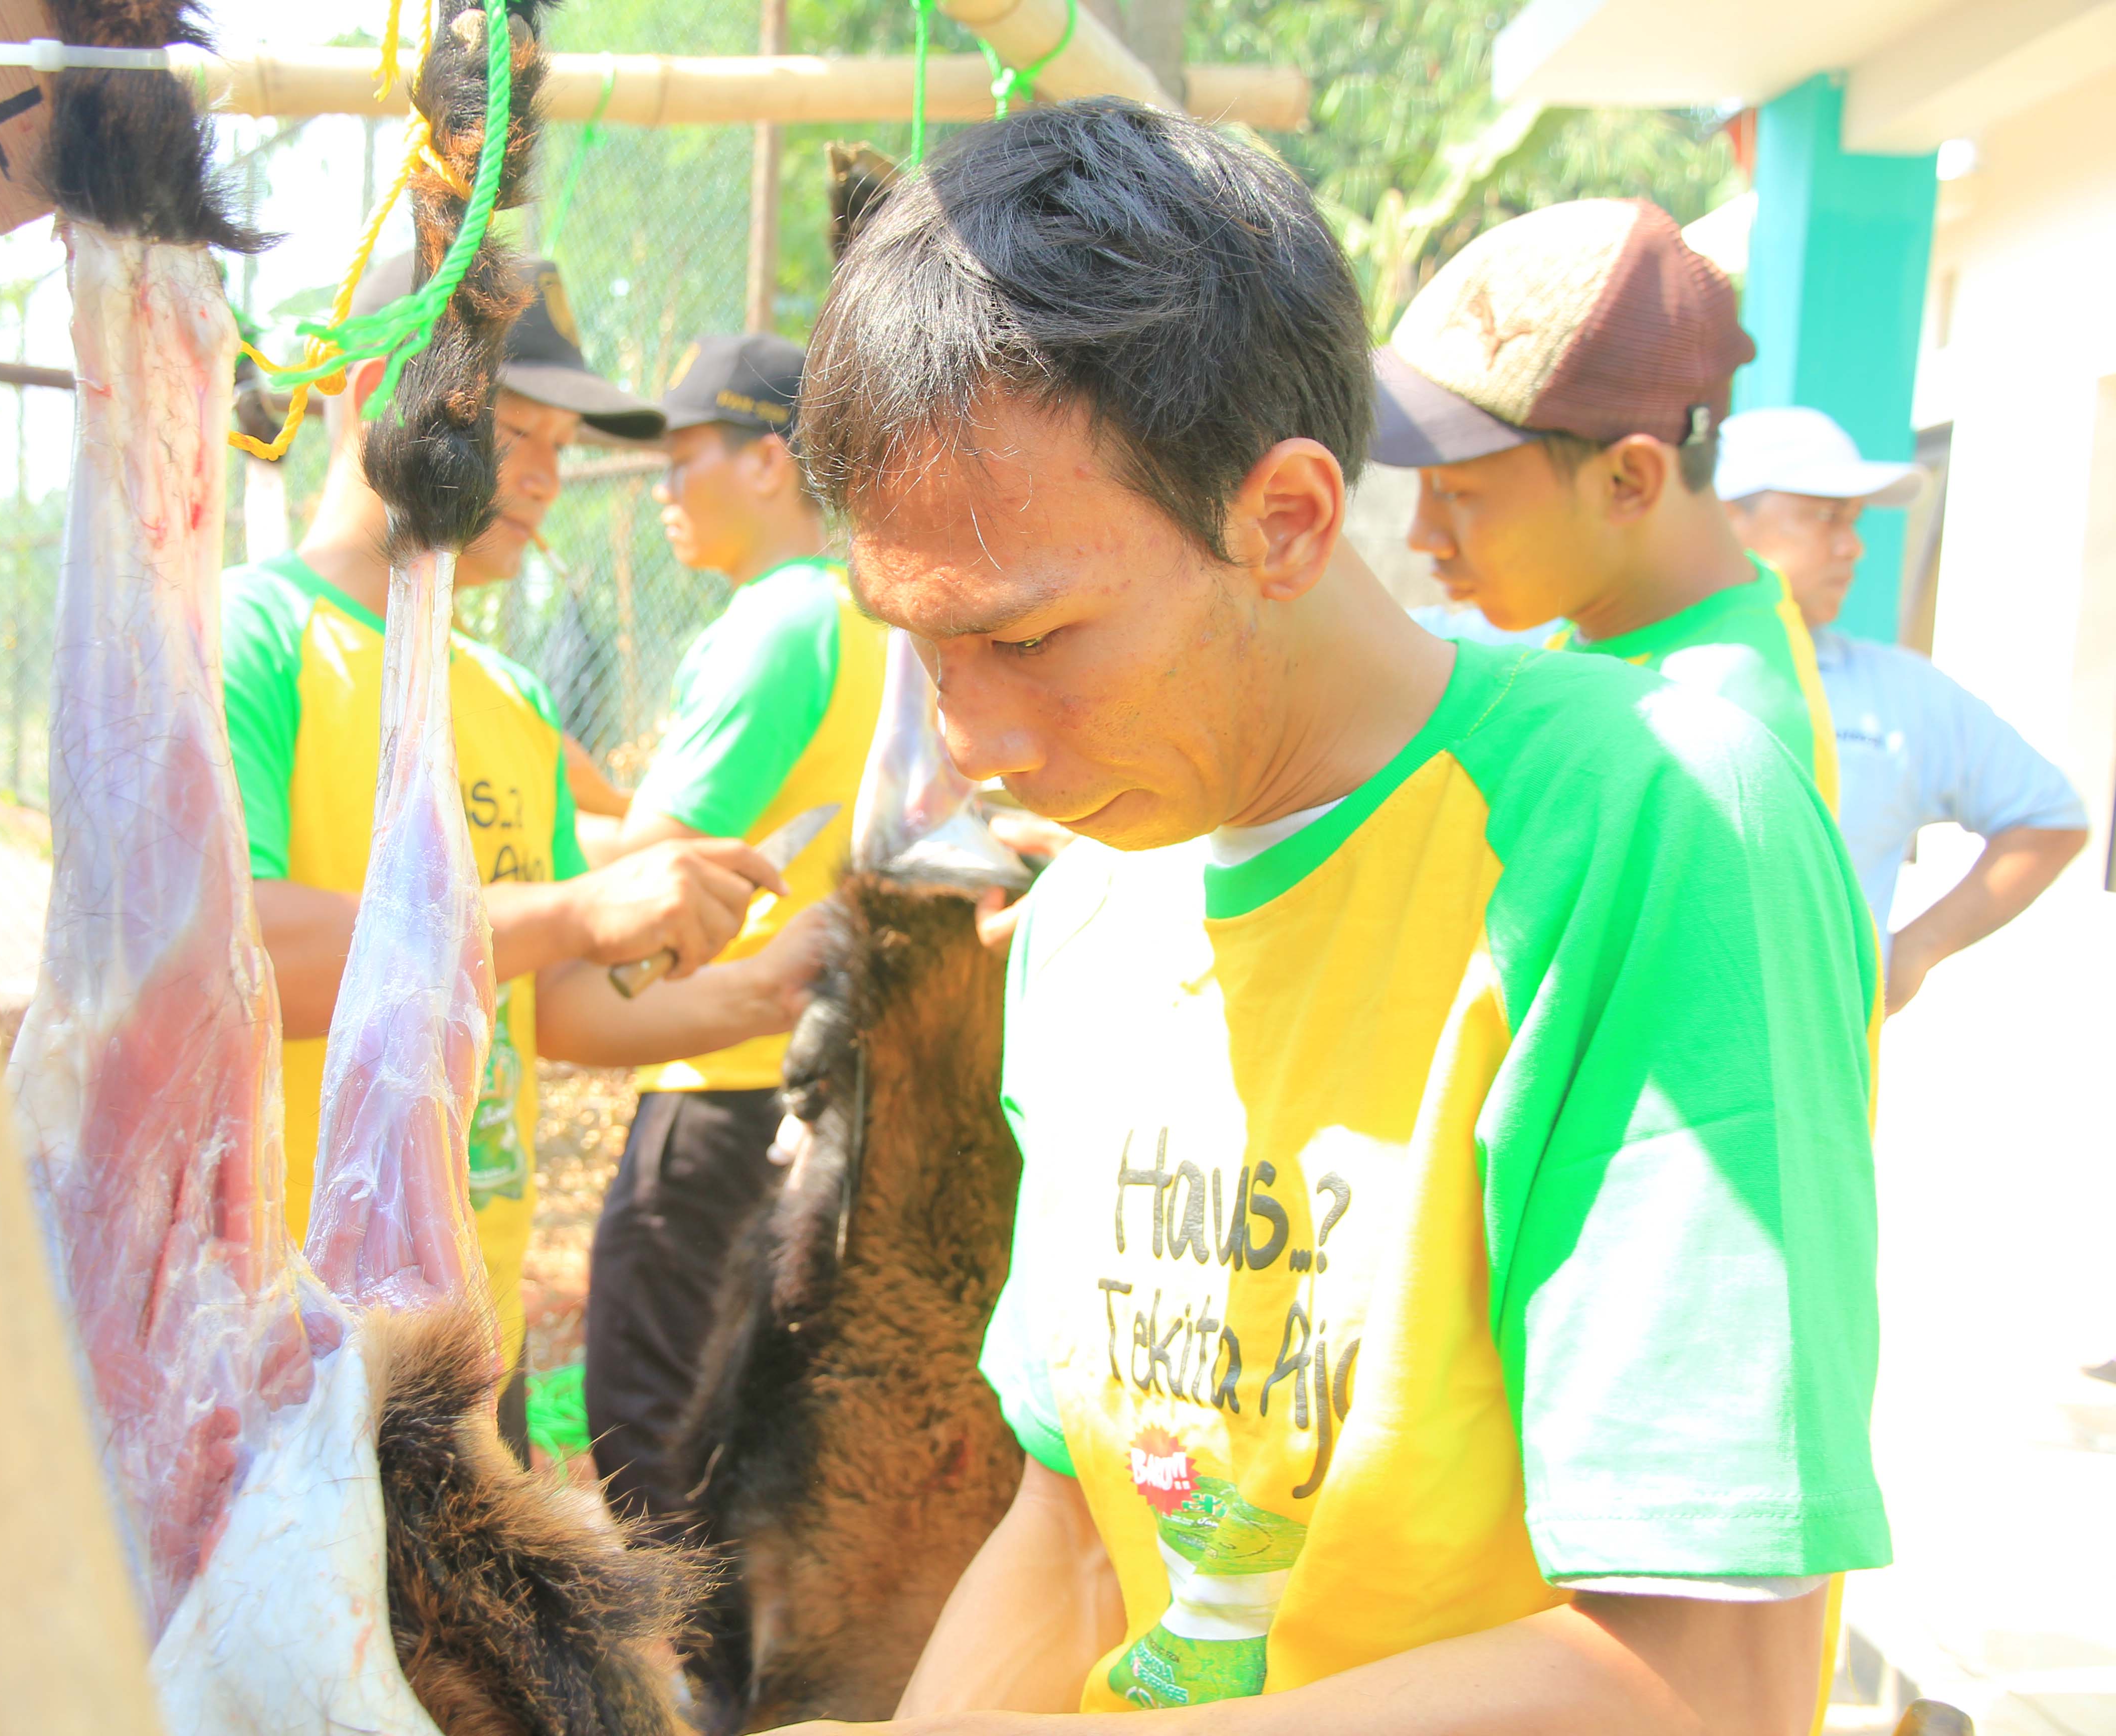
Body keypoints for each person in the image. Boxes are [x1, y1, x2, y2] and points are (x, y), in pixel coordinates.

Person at [795, 99, 1885, 1733]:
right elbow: (1080, 1536)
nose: (973, 743)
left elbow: (1703, 1679)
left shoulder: (1645, 832)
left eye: (1027, 641)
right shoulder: (1089, 913)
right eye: (921, 644)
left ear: (1289, 520)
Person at [221, 256, 822, 1450]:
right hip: (278, 1327)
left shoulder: (509, 700)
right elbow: (239, 957)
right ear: (382, 394)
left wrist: (771, 991)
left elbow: (551, 1007)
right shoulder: (253, 636)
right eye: (515, 431)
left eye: (561, 442)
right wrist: (576, 913)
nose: (547, 475)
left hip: (464, 1330)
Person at [580, 332, 887, 1538]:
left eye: (683, 457)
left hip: (716, 1081)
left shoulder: (774, 625)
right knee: (768, 1442)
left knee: (649, 1424)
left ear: (768, 462)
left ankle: (690, 1653)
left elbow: (651, 869)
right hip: (821, 1078)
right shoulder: (866, 614)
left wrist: (506, 814)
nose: (662, 488)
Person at [1383, 199, 1841, 807]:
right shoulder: (1624, 638)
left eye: (1456, 492)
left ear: (1628, 482)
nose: (1424, 535)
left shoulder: (1703, 747)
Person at [1720, 405, 2089, 1012]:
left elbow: (2050, 818)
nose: (1853, 547)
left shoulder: (1897, 691)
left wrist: (1915, 953)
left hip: (1825, 1065)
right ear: (1723, 520)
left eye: (1854, 520)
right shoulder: (1623, 668)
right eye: (1824, 516)